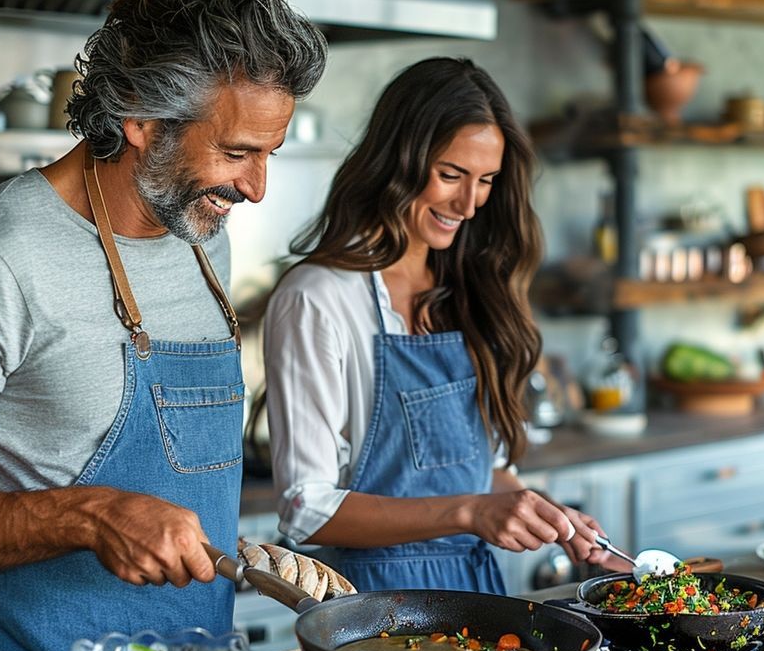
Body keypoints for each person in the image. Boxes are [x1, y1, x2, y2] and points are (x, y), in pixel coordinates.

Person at [0, 0, 327, 651]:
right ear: (140, 116)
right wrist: (92, 514)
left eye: (270, 153)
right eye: (237, 153)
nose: (256, 187)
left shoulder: (199, 234)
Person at [261, 57, 628, 594]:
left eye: (486, 181)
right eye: (450, 175)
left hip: (479, 597)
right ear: (397, 162)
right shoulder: (317, 298)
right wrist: (470, 511)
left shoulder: (473, 295)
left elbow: (484, 478)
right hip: (369, 610)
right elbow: (307, 511)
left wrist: (549, 517)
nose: (469, 203)